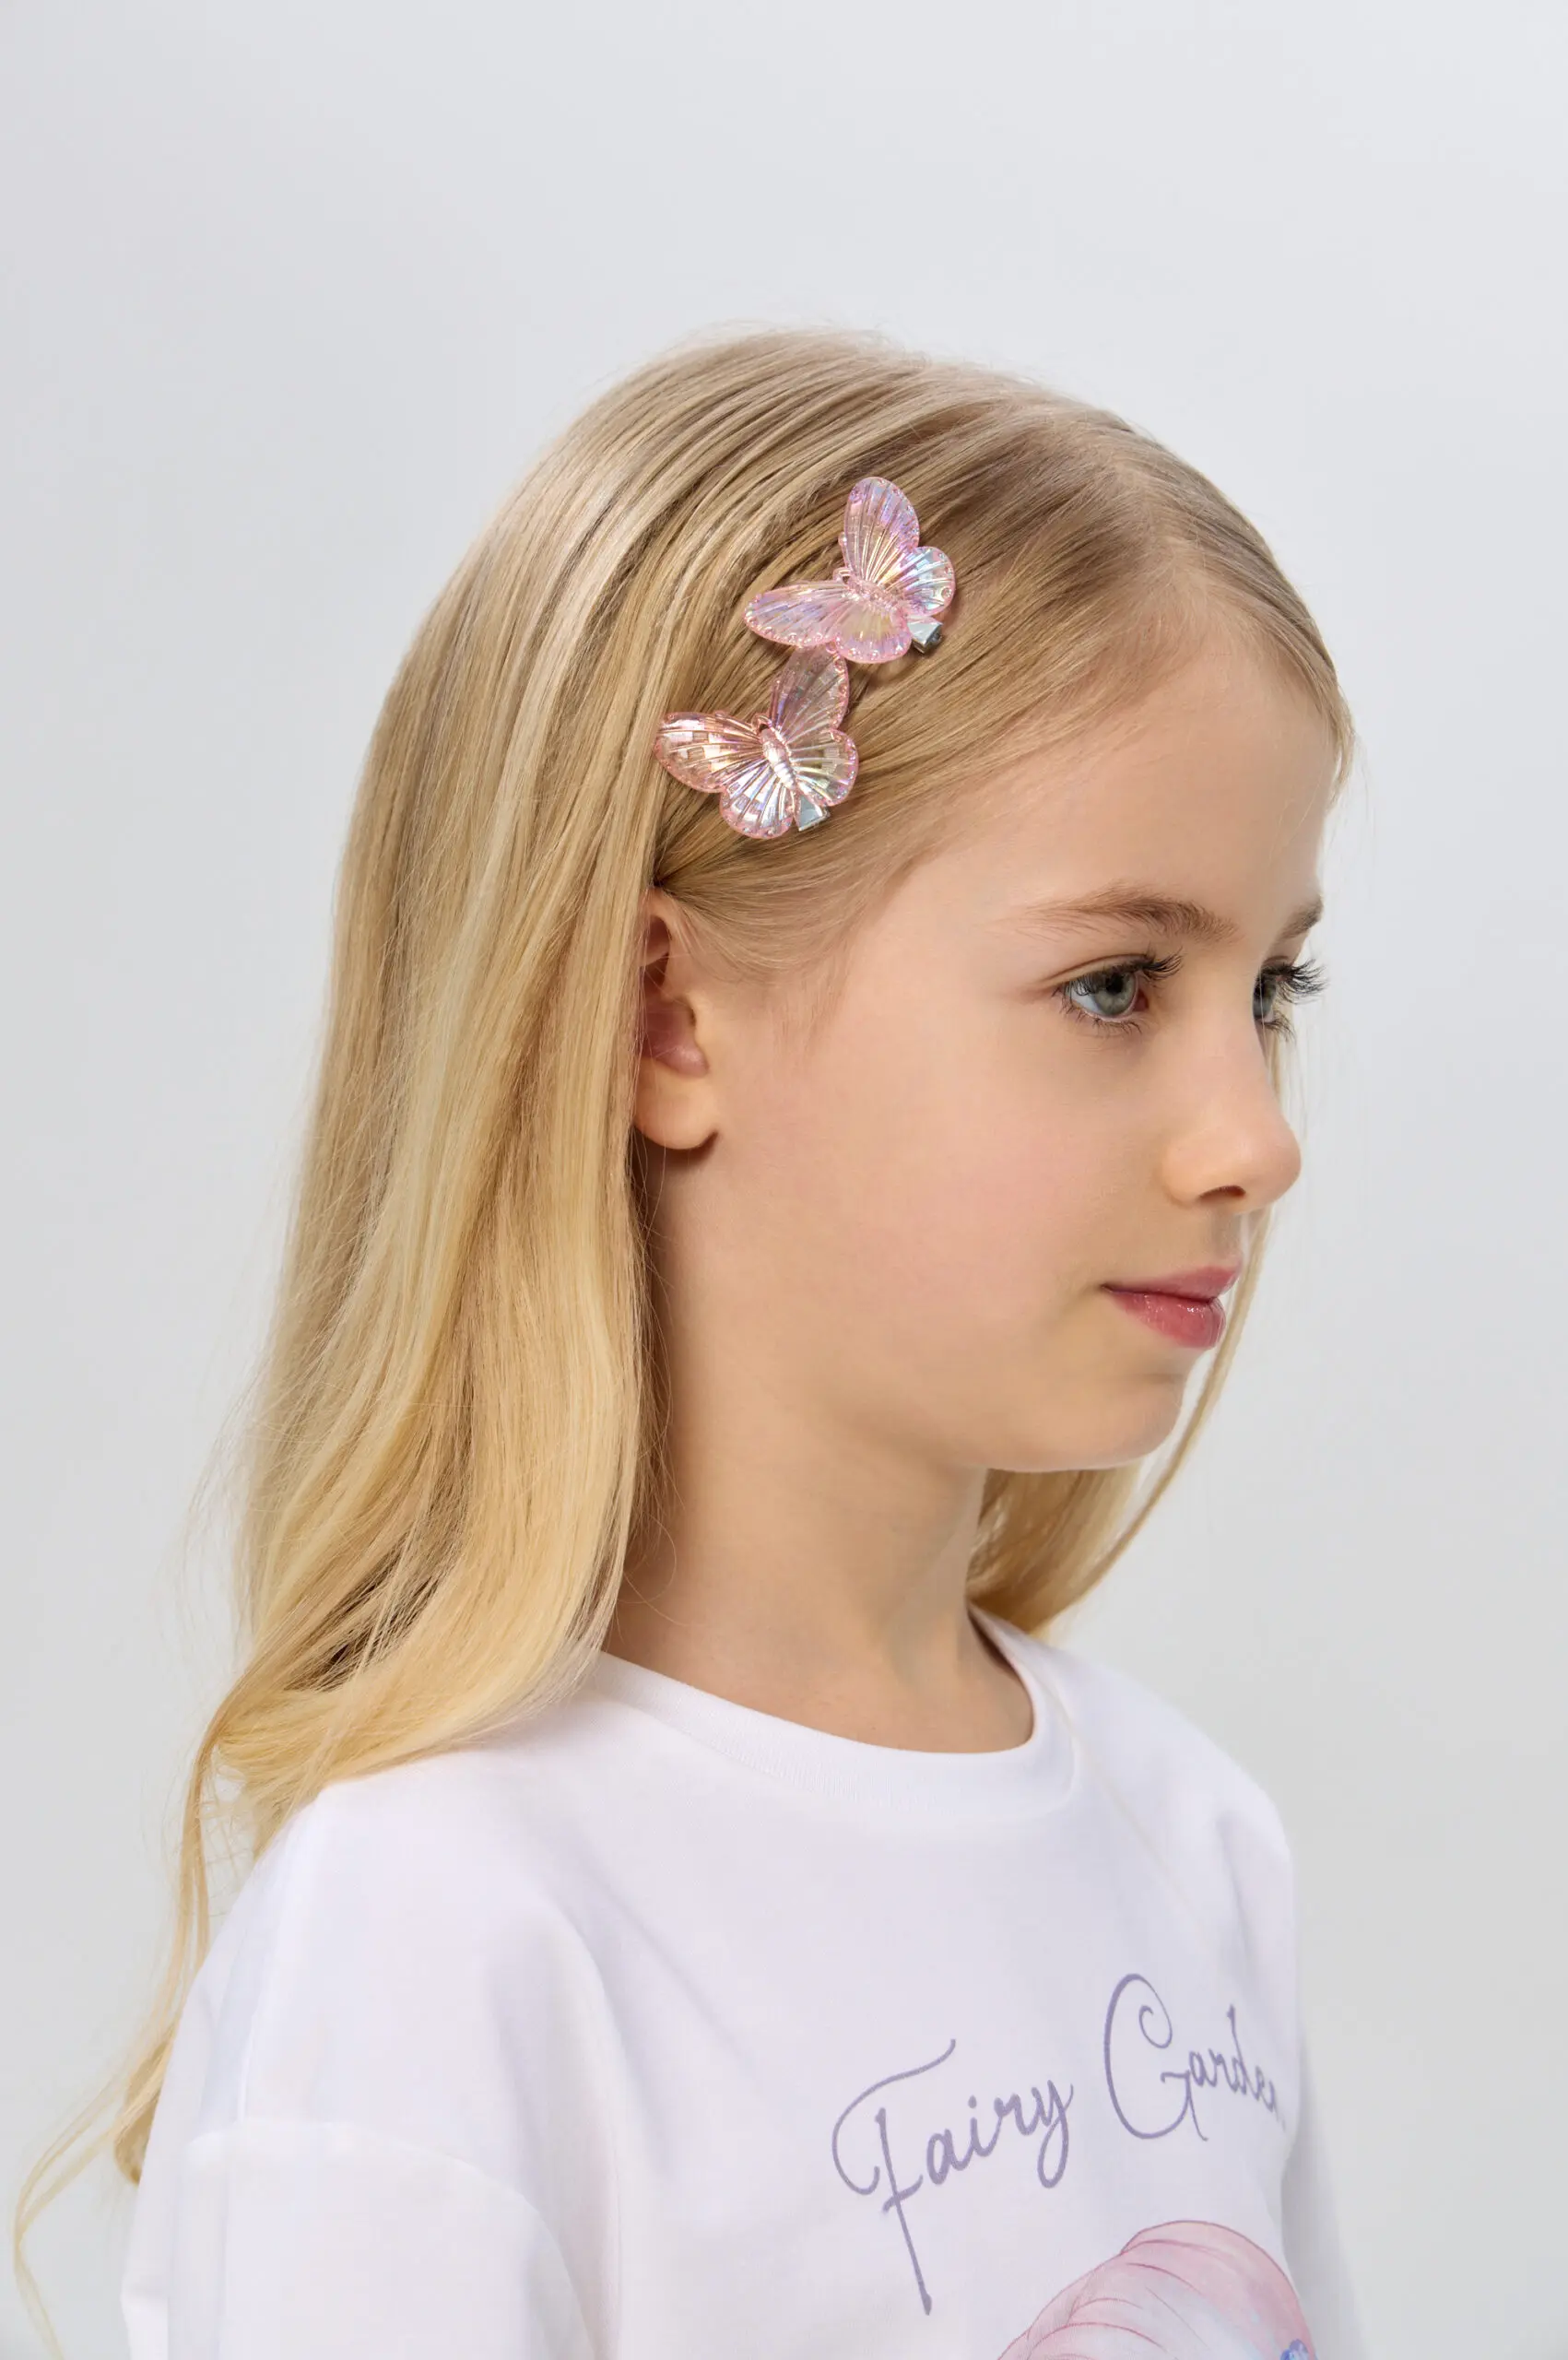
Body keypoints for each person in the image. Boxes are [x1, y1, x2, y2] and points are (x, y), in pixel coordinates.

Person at [19, 329, 1373, 2357]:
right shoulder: (450, 1934)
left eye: (1270, 990)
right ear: (664, 1014)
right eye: (1113, 985)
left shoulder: (1191, 1847)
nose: (1255, 1136)